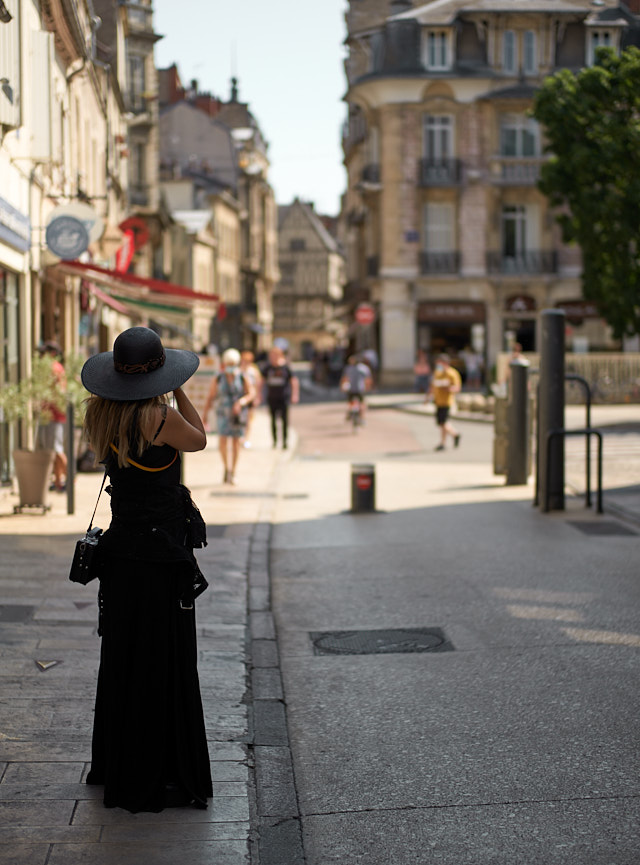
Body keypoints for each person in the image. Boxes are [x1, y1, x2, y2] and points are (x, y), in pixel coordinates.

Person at [80, 326, 212, 813]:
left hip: (120, 557)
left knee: (123, 658)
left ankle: (117, 765)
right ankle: (159, 770)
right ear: (158, 373)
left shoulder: (101, 415)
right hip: (160, 558)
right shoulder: (161, 418)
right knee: (162, 659)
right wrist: (179, 388)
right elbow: (199, 439)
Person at [202, 348, 255, 484]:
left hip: (237, 414)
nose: (230, 366)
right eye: (228, 363)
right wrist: (205, 415)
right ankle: (226, 468)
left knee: (236, 442)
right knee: (223, 442)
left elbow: (251, 393)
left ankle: (234, 471)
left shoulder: (242, 377)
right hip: (222, 414)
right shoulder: (218, 378)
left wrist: (241, 402)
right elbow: (211, 396)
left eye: (233, 364)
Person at [37, 341, 68, 492]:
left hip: (53, 414)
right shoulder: (58, 367)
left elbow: (59, 391)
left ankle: (69, 478)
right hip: (53, 414)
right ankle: (58, 482)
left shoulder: (54, 368)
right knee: (54, 449)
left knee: (56, 449)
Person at [262, 346, 299, 449]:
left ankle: (284, 442)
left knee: (284, 420)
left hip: (284, 397)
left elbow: (293, 381)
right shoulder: (268, 367)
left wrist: (294, 395)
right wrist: (259, 395)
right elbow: (262, 380)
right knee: (273, 420)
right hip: (272, 397)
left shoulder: (285, 367)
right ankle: (274, 441)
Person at [428, 353, 462, 451]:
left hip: (447, 401)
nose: (437, 365)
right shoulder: (438, 372)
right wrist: (428, 397)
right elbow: (432, 386)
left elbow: (457, 387)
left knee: (443, 422)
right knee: (442, 423)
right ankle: (443, 442)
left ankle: (455, 434)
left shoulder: (452, 373)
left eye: (439, 362)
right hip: (438, 401)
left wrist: (448, 388)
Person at [340, 354, 372, 423]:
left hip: (351, 389)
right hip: (360, 389)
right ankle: (362, 418)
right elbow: (368, 379)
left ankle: (350, 413)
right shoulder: (364, 368)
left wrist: (342, 387)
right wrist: (368, 387)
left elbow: (344, 379)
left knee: (350, 402)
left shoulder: (348, 368)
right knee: (362, 403)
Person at [240, 350, 262, 448]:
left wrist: (258, 396)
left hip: (250, 397)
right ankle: (240, 437)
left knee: (249, 419)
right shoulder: (239, 370)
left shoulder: (253, 371)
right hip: (240, 396)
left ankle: (246, 438)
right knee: (240, 419)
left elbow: (258, 384)